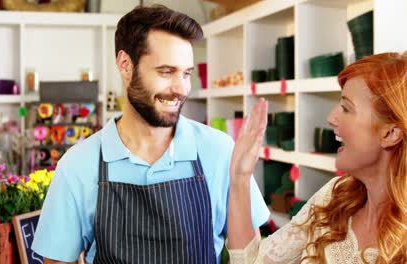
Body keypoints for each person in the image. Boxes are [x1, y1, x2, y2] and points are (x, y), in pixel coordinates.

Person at [32, 5, 270, 263]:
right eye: (166, 72)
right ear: (125, 65)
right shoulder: (79, 164)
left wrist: (241, 179)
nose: (181, 88)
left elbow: (251, 258)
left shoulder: (220, 150)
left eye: (186, 73)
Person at [226, 52, 407, 263]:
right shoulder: (335, 196)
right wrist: (240, 178)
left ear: (390, 134)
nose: (331, 118)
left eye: (347, 108)